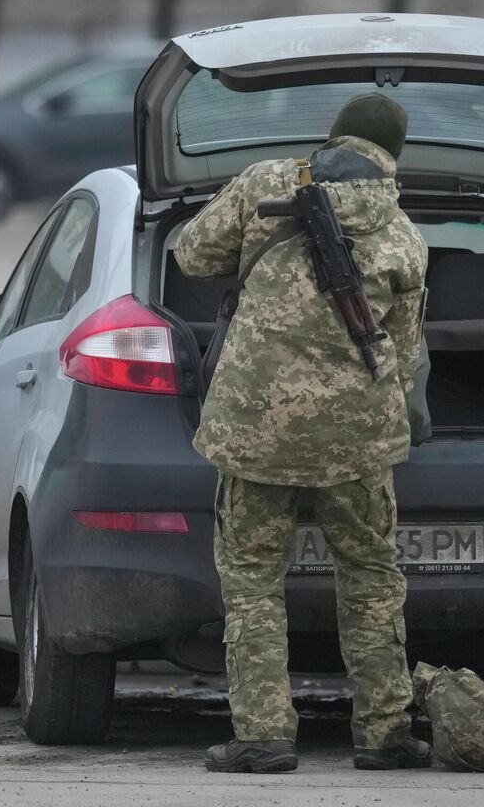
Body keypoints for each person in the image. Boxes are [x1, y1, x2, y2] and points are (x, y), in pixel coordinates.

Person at [175, 92, 431, 773]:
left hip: (256, 428)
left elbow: (192, 257)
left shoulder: (266, 183)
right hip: (358, 439)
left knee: (254, 579)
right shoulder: (405, 237)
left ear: (334, 136)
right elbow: (402, 354)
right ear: (394, 156)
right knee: (373, 577)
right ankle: (385, 735)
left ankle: (262, 736)